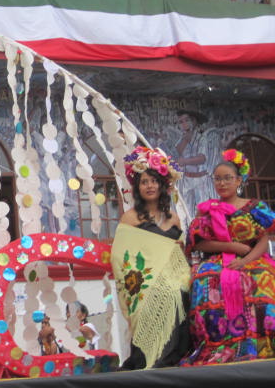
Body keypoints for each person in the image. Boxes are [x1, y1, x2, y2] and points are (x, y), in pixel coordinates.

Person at [181, 149, 275, 365]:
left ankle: (262, 343)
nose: (222, 183)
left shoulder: (255, 207)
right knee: (207, 277)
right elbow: (199, 242)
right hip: (218, 259)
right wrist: (231, 246)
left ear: (239, 180)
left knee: (262, 276)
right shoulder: (207, 210)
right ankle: (220, 345)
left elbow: (263, 239)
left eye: (227, 178)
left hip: (253, 258)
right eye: (218, 179)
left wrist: (245, 259)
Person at [111, 146, 191, 370]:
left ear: (163, 185)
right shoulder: (130, 217)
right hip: (145, 285)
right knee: (156, 294)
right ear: (137, 186)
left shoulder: (174, 218)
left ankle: (176, 359)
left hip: (175, 280)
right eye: (144, 181)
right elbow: (121, 258)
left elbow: (179, 254)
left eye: (154, 181)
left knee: (180, 291)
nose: (150, 186)